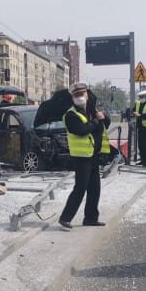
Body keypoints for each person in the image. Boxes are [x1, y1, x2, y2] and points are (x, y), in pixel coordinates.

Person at [58, 82, 106, 230]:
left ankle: (91, 218)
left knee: (94, 189)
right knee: (80, 188)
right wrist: (96, 121)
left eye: (82, 94)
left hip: (92, 155)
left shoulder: (91, 111)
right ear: (72, 98)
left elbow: (103, 125)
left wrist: (102, 117)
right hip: (81, 158)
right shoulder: (70, 115)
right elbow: (82, 130)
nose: (80, 97)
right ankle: (65, 218)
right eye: (76, 95)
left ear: (87, 95)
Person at [131, 90, 146, 166]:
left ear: (145, 97)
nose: (141, 98)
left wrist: (140, 115)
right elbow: (133, 111)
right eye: (140, 97)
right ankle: (142, 160)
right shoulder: (138, 103)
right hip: (140, 127)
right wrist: (133, 113)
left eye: (142, 97)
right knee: (141, 145)